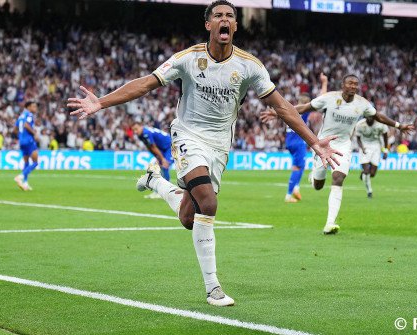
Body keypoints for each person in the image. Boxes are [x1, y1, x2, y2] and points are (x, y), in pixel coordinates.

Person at [67, 0, 341, 306]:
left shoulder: (250, 66)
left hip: (220, 146)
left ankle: (155, 181)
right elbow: (146, 85)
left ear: (235, 26)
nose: (225, 20)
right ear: (209, 25)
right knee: (208, 203)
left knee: (188, 217)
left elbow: (282, 107)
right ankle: (213, 288)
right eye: (219, 16)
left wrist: (313, 141)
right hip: (187, 135)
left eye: (230, 16)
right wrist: (101, 102)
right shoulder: (187, 58)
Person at [293, 74, 414, 235]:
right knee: (318, 186)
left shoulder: (362, 103)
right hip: (323, 144)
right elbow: (304, 107)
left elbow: (377, 115)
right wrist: (280, 112)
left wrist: (399, 125)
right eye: (350, 83)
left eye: (356, 84)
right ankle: (315, 173)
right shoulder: (329, 98)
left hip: (343, 145)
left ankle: (330, 223)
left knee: (338, 178)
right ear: (342, 85)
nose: (353, 86)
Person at [260, 73, 328, 203]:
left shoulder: (291, 109)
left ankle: (296, 188)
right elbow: (322, 98)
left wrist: (275, 114)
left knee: (299, 166)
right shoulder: (304, 110)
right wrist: (324, 83)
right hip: (298, 142)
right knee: (298, 167)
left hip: (290, 141)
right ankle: (289, 195)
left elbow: (282, 113)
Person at [131, 121, 174, 199]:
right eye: (134, 130)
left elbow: (153, 147)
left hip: (170, 146)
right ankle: (158, 192)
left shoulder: (146, 133)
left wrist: (162, 159)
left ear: (141, 126)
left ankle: (166, 192)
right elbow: (149, 148)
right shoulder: (141, 135)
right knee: (158, 168)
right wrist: (158, 157)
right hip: (163, 148)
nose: (135, 132)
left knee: (165, 166)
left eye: (136, 129)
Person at [354, 116, 389, 198]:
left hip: (376, 147)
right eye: (367, 116)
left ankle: (363, 173)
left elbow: (385, 136)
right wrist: (362, 148)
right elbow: (358, 138)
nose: (369, 118)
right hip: (365, 146)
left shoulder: (381, 124)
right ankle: (369, 191)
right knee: (367, 171)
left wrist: (385, 150)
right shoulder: (360, 124)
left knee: (372, 174)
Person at [13, 101, 39, 191]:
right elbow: (26, 125)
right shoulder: (29, 115)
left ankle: (25, 183)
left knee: (26, 162)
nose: (35, 108)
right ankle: (20, 177)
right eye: (34, 106)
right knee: (35, 162)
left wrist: (21, 137)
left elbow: (15, 130)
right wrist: (34, 133)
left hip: (22, 141)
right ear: (28, 107)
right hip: (29, 140)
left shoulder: (20, 116)